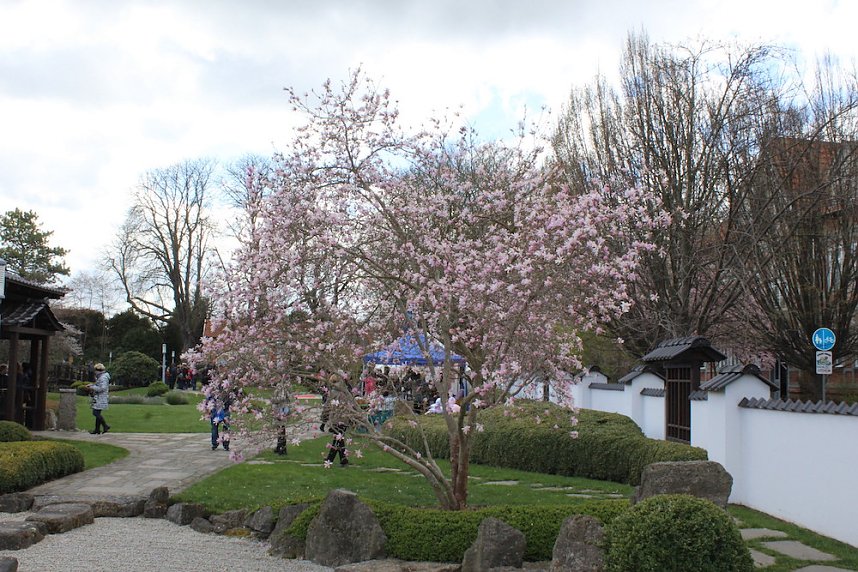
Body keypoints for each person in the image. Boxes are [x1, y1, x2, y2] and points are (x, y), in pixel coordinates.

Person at [324, 375, 354, 466]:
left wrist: (324, 419)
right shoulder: (346, 391)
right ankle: (342, 459)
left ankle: (332, 459)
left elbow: (327, 406)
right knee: (339, 439)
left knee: (338, 440)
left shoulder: (333, 392)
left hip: (336, 419)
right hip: (344, 418)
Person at [86, 363, 111, 434]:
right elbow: (99, 385)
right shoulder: (101, 377)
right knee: (97, 413)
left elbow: (102, 388)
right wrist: (92, 385)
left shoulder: (103, 378)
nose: (94, 372)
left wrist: (92, 387)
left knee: (95, 413)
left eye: (95, 370)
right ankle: (97, 430)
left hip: (101, 398)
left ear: (98, 370)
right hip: (99, 397)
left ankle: (105, 426)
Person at [272, 382, 291, 455]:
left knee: (281, 430)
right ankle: (279, 447)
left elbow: (281, 399)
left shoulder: (282, 388)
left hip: (281, 412)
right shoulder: (282, 388)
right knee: (280, 430)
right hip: (279, 411)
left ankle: (282, 449)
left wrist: (273, 399)